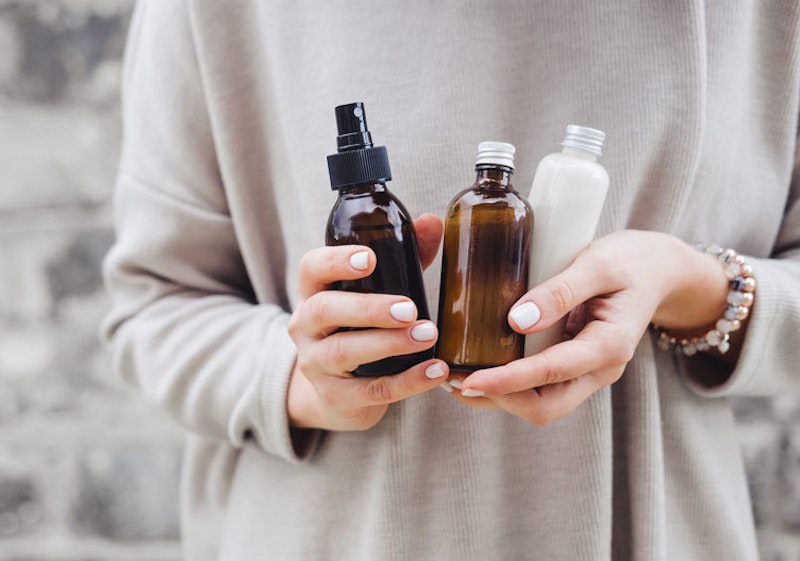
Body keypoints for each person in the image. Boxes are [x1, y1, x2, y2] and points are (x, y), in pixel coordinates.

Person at [101, 1, 800, 560]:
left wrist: (694, 288)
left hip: (653, 528)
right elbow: (154, 307)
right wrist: (305, 379)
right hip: (341, 535)